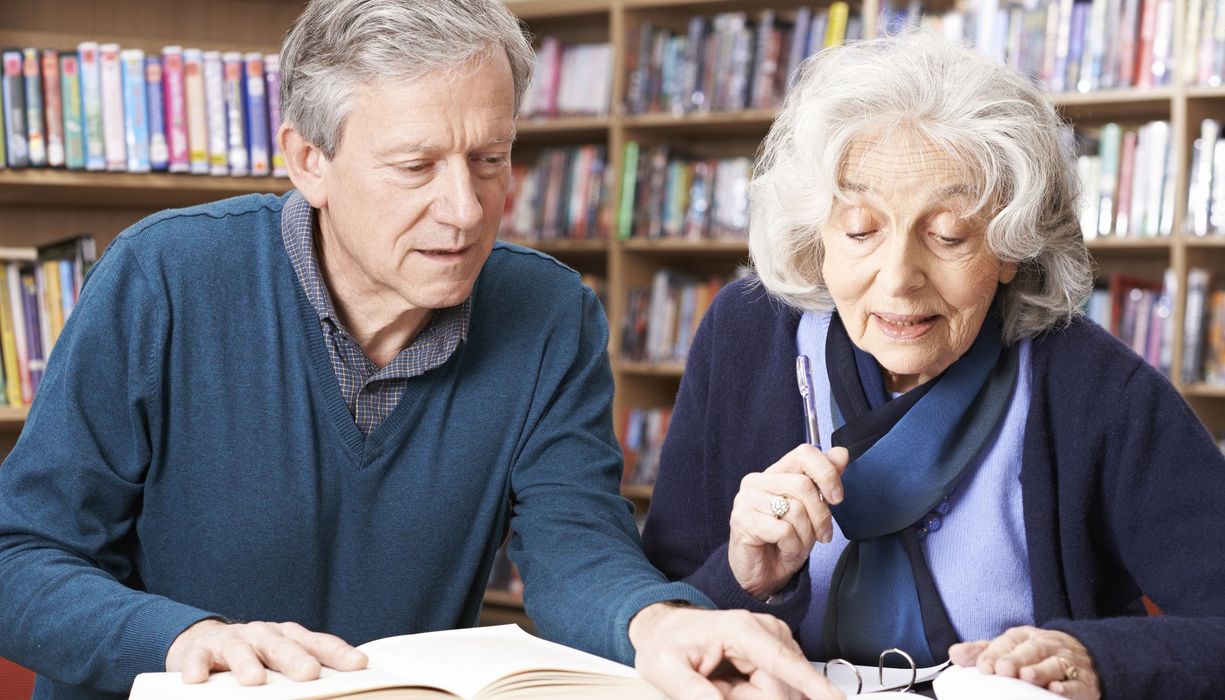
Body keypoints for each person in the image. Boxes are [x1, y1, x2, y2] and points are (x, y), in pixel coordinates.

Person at [0, 2, 840, 699]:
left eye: (490, 159)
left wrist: (662, 624)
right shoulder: (166, 275)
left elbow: (575, 544)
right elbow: (20, 558)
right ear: (307, 160)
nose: (466, 209)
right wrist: (184, 636)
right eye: (415, 165)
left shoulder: (550, 312)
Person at [642, 31, 1225, 700]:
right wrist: (742, 576)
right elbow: (660, 614)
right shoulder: (744, 335)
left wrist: (1090, 658)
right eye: (860, 229)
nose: (898, 280)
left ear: (1011, 244)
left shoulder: (1094, 387)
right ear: (817, 235)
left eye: (948, 234)